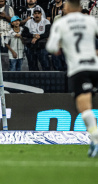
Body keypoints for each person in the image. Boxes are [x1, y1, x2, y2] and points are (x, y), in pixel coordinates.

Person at [46, 0, 98, 157]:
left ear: (66, 8)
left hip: (78, 69)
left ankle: (95, 139)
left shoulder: (61, 23)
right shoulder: (91, 20)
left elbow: (51, 47)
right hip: (95, 66)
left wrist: (61, 45)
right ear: (81, 7)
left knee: (84, 108)